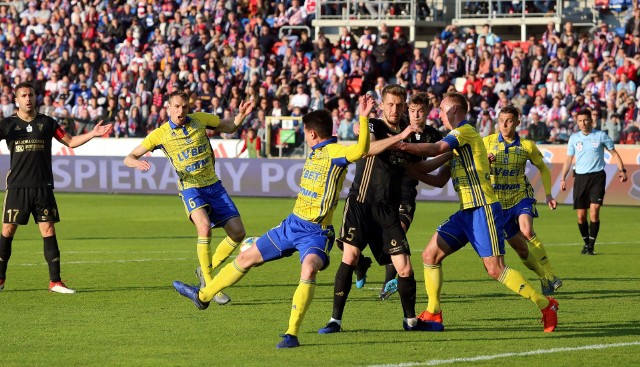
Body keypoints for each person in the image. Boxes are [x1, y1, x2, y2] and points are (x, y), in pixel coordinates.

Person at [172, 95, 374, 349]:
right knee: (245, 258)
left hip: (316, 233)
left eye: (305, 133)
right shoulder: (318, 151)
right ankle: (202, 296)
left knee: (309, 268)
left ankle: (292, 334)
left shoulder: (335, 152)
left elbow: (361, 150)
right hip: (292, 224)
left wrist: (364, 118)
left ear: (312, 134)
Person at [396, 92, 558, 332]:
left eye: (441, 109)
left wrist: (401, 144)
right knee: (430, 255)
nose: (438, 113)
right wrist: (404, 168)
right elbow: (436, 176)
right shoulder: (456, 143)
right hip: (466, 212)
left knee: (495, 269)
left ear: (453, 111)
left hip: (483, 208)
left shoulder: (465, 132)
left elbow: (434, 149)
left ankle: (546, 305)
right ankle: (434, 312)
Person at [318, 85, 447, 334]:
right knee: (351, 256)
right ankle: (335, 321)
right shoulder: (374, 126)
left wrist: (451, 155)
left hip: (388, 209)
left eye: (399, 105)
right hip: (361, 204)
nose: (395, 110)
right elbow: (369, 149)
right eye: (390, 104)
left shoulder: (410, 135)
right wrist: (399, 137)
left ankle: (411, 322)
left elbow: (419, 170)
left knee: (405, 267)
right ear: (383, 104)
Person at [124, 90, 255, 305]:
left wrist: (241, 116)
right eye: (176, 107)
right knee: (203, 227)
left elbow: (229, 126)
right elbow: (129, 157)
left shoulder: (200, 120)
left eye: (184, 107)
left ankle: (205, 270)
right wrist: (135, 162)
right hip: (191, 188)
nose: (181, 111)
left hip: (214, 185)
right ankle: (210, 284)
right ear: (168, 108)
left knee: (238, 233)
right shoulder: (160, 134)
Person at [0, 82, 113, 293]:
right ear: (16, 99)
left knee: (48, 229)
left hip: (42, 186)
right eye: (23, 95)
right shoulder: (7, 125)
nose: (28, 99)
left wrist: (92, 133)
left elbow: (70, 141)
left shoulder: (47, 123)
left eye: (31, 95)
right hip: (17, 187)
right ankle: (0, 278)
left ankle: (55, 281)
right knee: (7, 230)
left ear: (35, 98)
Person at [354, 92, 444, 300]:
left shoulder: (434, 136)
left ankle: (388, 284)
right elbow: (372, 129)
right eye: (412, 111)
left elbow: (433, 163)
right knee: (370, 237)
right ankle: (361, 263)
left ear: (428, 112)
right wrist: (360, 127)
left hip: (406, 193)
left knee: (398, 234)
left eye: (421, 111)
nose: (416, 115)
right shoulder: (399, 127)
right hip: (382, 190)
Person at [484, 105, 562, 295]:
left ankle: (551, 275)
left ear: (518, 122)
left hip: (521, 197)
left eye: (509, 121)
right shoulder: (487, 142)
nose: (504, 125)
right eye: (501, 121)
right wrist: (486, 161)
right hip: (498, 204)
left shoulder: (527, 146)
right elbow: (476, 166)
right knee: (522, 251)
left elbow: (543, 168)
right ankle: (543, 279)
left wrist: (549, 194)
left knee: (527, 231)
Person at [560, 109, 627, 255]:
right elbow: (568, 159)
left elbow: (614, 153)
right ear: (577, 122)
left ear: (591, 120)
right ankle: (586, 243)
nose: (583, 123)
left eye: (585, 120)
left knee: (595, 210)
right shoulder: (574, 138)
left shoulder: (601, 135)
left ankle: (591, 246)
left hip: (597, 177)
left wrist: (622, 170)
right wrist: (563, 178)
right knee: (581, 215)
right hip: (580, 178)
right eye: (580, 121)